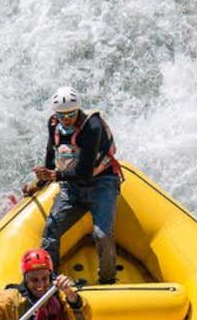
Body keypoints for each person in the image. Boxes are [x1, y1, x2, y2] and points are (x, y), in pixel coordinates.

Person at [24, 86, 123, 285]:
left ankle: (107, 279)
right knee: (51, 228)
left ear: (78, 110)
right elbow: (51, 155)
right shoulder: (54, 124)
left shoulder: (92, 127)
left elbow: (85, 173)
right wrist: (41, 181)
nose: (66, 119)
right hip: (72, 188)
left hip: (101, 183)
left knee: (101, 235)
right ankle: (50, 280)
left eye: (70, 114)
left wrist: (56, 175)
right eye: (61, 115)